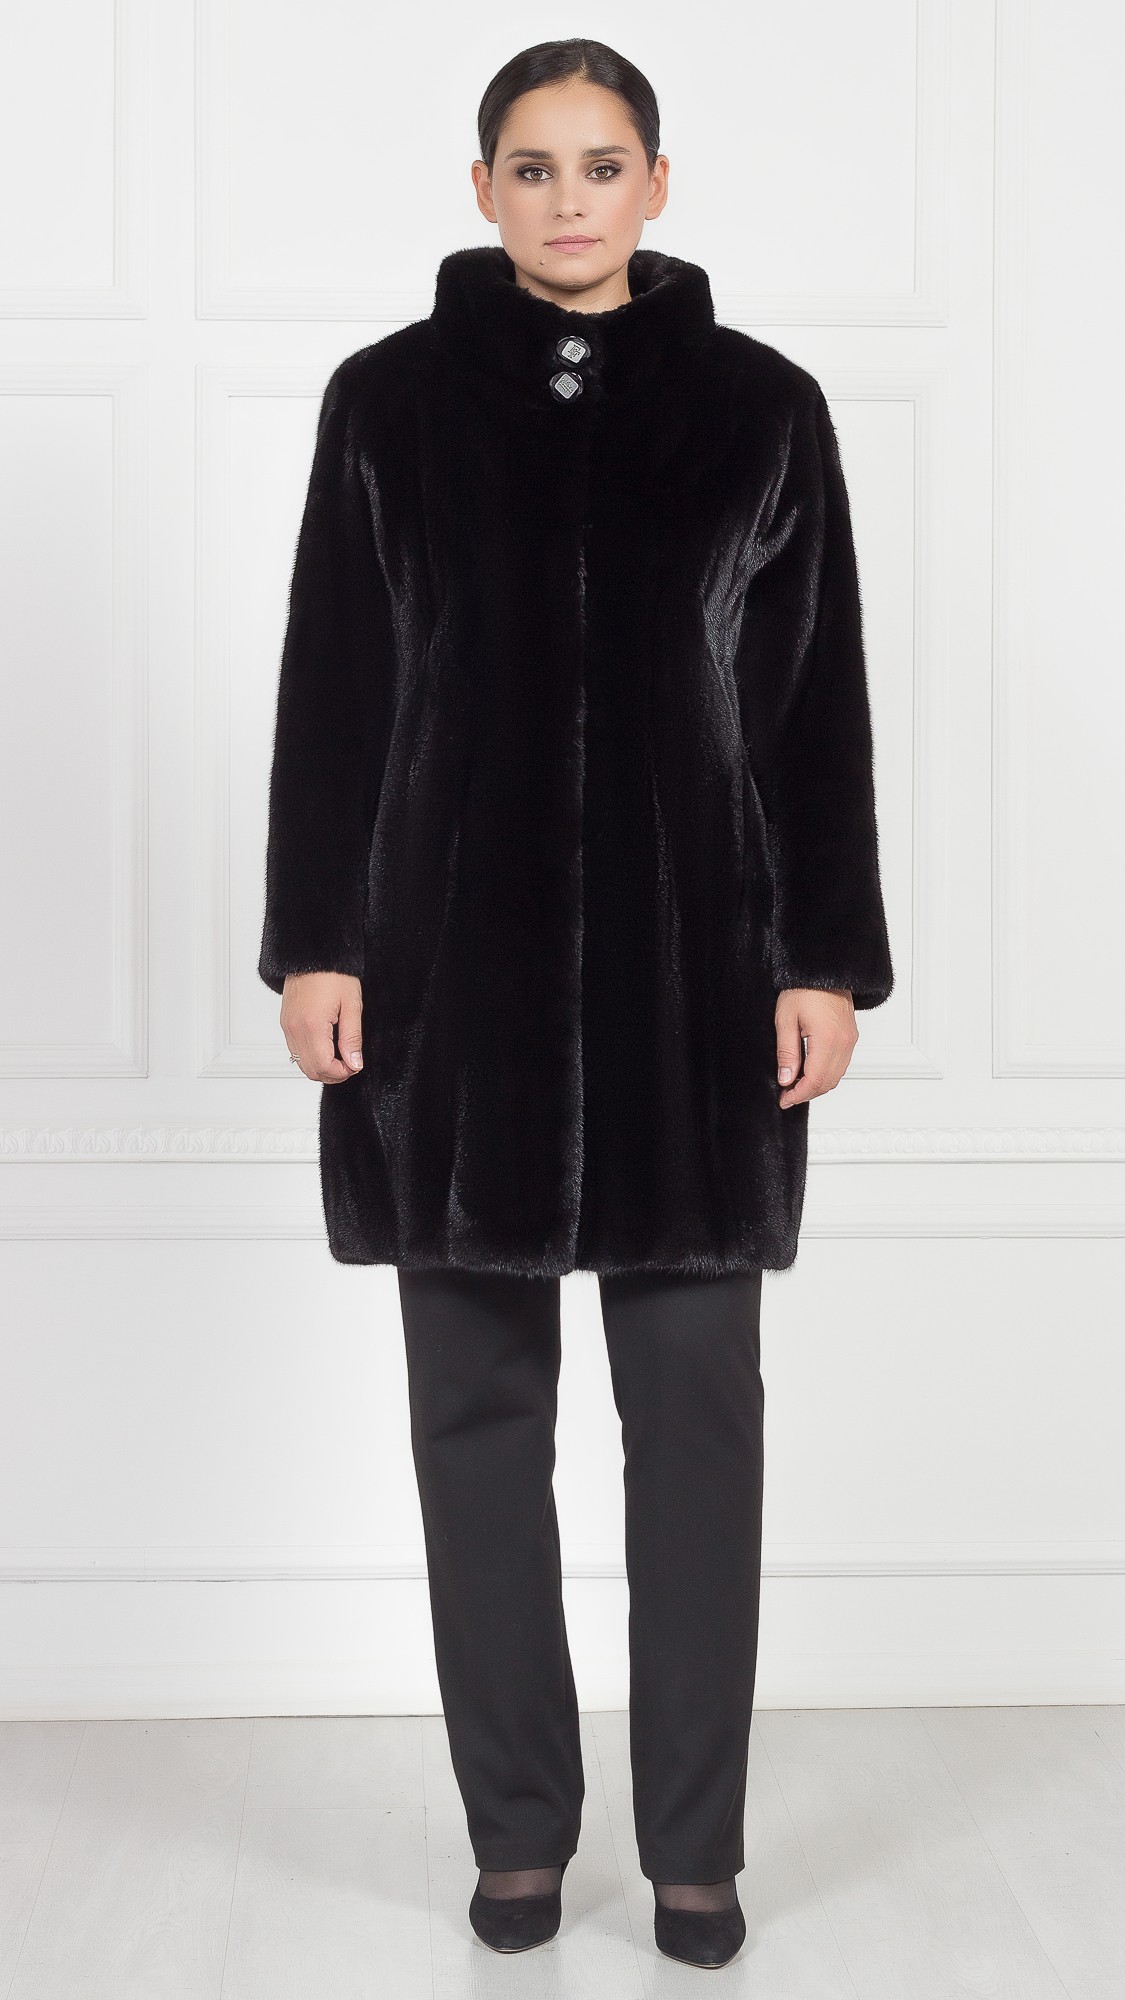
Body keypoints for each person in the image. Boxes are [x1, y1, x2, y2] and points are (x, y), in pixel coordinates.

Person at [257, 38, 894, 1972]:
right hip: (449, 992)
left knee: (696, 1422)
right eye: (529, 167)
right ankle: (520, 1832)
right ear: (481, 191)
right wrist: (316, 941)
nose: (565, 199)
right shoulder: (386, 405)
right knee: (473, 1421)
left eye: (599, 164)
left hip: (701, 993)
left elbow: (812, 704)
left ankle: (693, 1846)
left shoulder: (760, 410)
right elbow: (335, 684)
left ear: (657, 183)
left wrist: (821, 959)